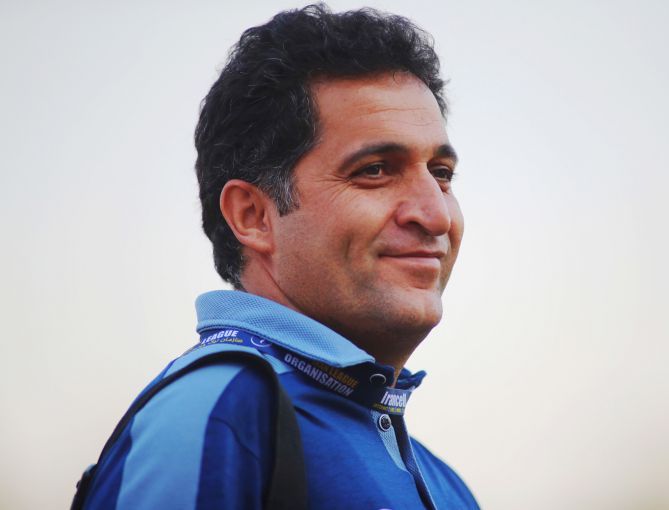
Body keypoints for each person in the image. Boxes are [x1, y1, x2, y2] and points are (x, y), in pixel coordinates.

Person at [81, 4, 478, 509]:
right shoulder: (215, 412)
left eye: (441, 174)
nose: (436, 215)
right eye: (375, 170)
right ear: (252, 216)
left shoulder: (447, 484)